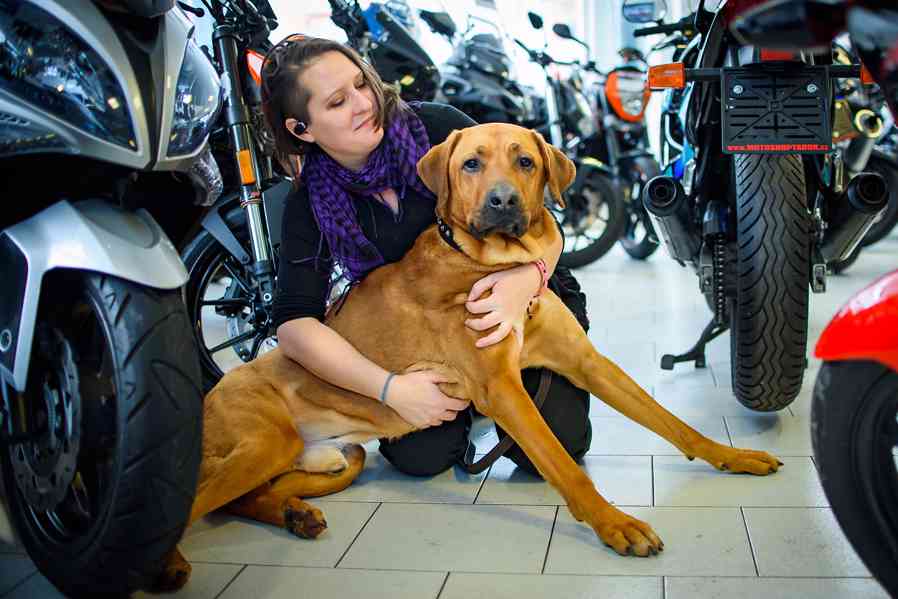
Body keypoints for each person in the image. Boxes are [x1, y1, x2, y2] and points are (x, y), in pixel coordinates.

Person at [261, 35, 592, 477]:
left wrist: (528, 277)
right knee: (422, 458)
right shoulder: (309, 203)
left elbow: (538, 218)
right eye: (338, 102)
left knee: (563, 440)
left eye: (361, 83)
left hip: (522, 307)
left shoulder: (439, 129)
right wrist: (390, 389)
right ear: (301, 129)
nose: (364, 104)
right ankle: (479, 396)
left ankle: (494, 393)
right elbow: (294, 323)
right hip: (432, 343)